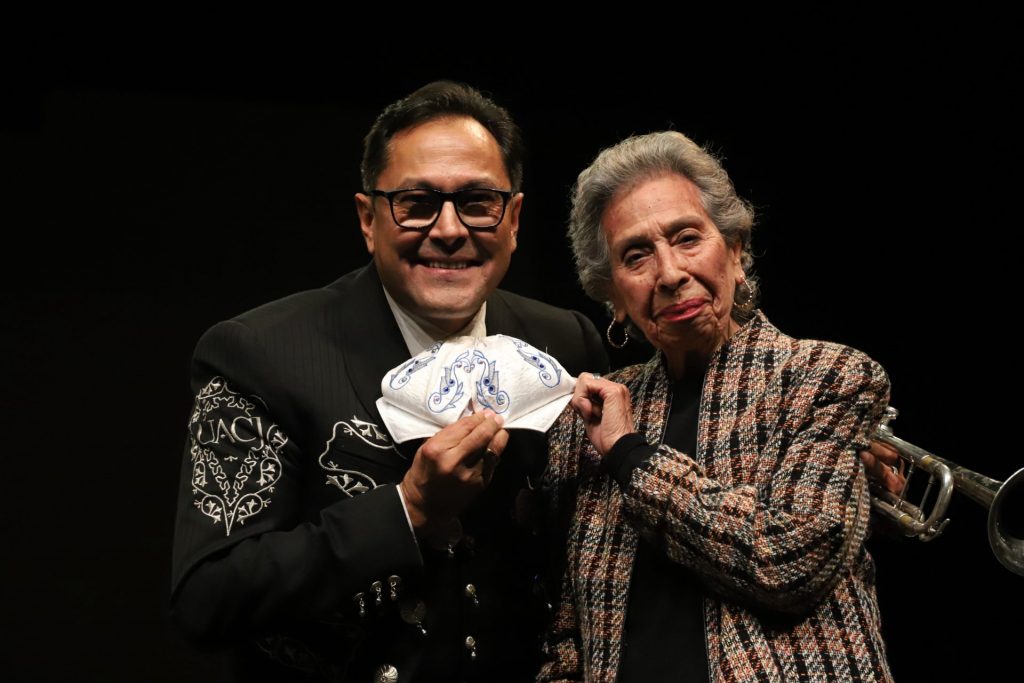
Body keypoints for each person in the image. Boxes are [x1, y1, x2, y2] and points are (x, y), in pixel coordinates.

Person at [169, 81, 608, 682]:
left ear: (513, 219)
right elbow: (207, 598)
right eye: (416, 202)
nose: (449, 229)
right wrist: (409, 509)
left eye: (478, 201)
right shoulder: (261, 354)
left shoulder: (566, 342)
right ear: (368, 219)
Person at [538, 131, 894, 682]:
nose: (670, 273)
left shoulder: (827, 375)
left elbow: (789, 564)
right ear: (612, 295)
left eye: (687, 238)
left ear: (734, 250)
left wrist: (631, 456)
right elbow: (567, 627)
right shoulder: (586, 417)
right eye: (636, 255)